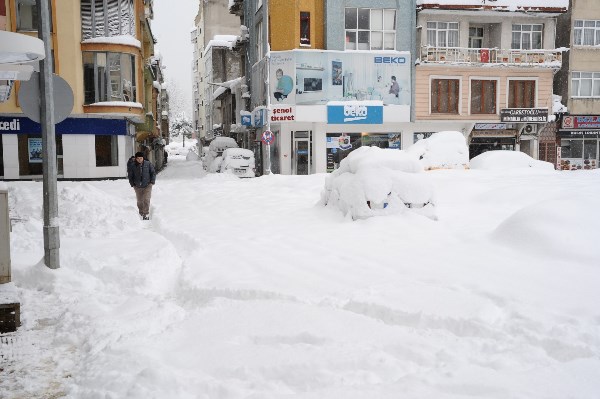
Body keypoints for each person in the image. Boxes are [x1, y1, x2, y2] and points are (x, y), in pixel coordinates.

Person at [128, 151, 156, 220]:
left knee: (146, 199)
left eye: (141, 158)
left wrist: (152, 182)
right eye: (138, 158)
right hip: (137, 186)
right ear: (136, 159)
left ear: (143, 158)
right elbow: (130, 176)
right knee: (140, 201)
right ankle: (141, 212)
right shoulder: (132, 166)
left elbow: (153, 173)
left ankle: (145, 214)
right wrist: (132, 184)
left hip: (147, 185)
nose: (140, 160)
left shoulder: (148, 164)